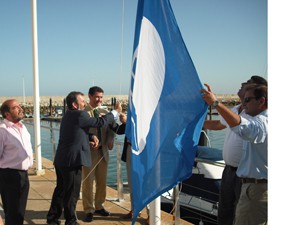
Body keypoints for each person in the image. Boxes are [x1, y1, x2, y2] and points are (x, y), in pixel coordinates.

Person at [46, 91, 121, 225]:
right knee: (72, 193)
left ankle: (52, 218)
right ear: (75, 104)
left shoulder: (68, 115)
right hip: (72, 161)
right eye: (82, 101)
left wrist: (90, 137)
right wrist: (115, 112)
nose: (84, 103)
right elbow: (99, 122)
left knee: (61, 190)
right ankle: (71, 221)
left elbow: (76, 131)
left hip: (62, 159)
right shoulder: (81, 114)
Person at [203, 75, 267, 225]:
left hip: (247, 177)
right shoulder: (237, 110)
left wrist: (216, 103)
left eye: (248, 84)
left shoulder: (257, 118)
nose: (243, 84)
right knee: (225, 211)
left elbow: (241, 126)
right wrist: (193, 122)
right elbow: (219, 124)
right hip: (230, 171)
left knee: (241, 215)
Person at [82, 86, 126, 222]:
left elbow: (114, 128)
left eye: (101, 97)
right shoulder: (83, 112)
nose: (99, 100)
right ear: (89, 96)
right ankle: (88, 209)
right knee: (88, 182)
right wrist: (89, 138)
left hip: (103, 151)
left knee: (102, 181)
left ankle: (99, 206)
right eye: (96, 97)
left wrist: (111, 138)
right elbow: (80, 131)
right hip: (90, 152)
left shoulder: (105, 111)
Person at [0, 99, 34, 225]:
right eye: (15, 107)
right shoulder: (2, 131)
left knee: (20, 212)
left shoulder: (22, 127)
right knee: (13, 213)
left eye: (19, 106)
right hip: (10, 176)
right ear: (7, 114)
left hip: (24, 175)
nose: (20, 108)